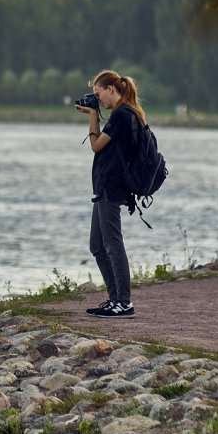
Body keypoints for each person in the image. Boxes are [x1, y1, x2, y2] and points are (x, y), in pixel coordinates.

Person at [75, 70, 145, 319]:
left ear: (111, 89)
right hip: (106, 187)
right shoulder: (123, 114)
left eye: (98, 94)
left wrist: (92, 114)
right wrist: (95, 112)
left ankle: (123, 303)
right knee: (97, 245)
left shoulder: (123, 115)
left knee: (113, 244)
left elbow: (95, 146)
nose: (97, 99)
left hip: (112, 187)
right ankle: (115, 299)